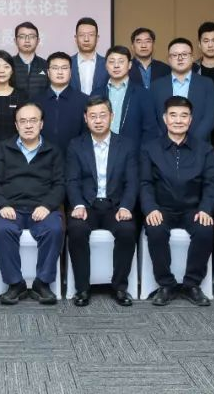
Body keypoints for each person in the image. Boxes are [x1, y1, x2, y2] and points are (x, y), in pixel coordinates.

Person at [140, 96, 214, 307]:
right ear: (165, 118)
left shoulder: (205, 149)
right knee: (155, 230)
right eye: (173, 115)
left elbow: (211, 183)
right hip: (162, 209)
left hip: (193, 209)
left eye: (184, 116)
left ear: (190, 120)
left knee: (205, 230)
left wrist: (205, 209)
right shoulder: (150, 148)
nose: (178, 120)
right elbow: (145, 183)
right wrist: (151, 208)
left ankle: (192, 284)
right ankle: (166, 284)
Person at [0, 102, 65, 305]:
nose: (28, 125)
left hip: (42, 209)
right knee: (1, 229)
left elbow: (60, 184)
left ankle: (42, 283)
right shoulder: (2, 149)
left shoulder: (53, 151)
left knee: (54, 229)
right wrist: (2, 205)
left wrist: (47, 206)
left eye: (33, 120)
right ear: (16, 125)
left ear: (41, 124)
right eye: (23, 121)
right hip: (9, 208)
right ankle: (15, 284)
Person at [65, 97, 138, 307]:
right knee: (76, 229)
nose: (98, 121)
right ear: (85, 119)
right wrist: (78, 205)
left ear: (111, 117)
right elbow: (72, 180)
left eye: (103, 115)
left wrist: (126, 206)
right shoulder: (76, 145)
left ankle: (119, 287)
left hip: (115, 206)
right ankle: (82, 288)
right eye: (93, 116)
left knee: (127, 230)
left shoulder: (126, 145)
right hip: (87, 205)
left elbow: (132, 181)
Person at [150, 38, 214, 143]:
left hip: (199, 145)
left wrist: (192, 142)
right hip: (164, 146)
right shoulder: (156, 86)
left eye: (184, 54)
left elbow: (210, 117)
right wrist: (166, 141)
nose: (180, 58)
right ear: (169, 59)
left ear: (192, 58)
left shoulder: (207, 84)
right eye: (175, 55)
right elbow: (152, 118)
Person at [91, 46, 157, 149]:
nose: (116, 66)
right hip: (101, 150)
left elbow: (150, 130)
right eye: (111, 62)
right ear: (106, 66)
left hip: (133, 152)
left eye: (121, 61)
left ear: (129, 65)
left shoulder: (142, 94)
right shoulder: (97, 93)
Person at [33, 51, 89, 151]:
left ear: (70, 72)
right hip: (42, 156)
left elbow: (87, 134)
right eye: (55, 68)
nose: (60, 72)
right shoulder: (36, 101)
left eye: (64, 68)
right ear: (48, 72)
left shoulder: (84, 100)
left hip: (74, 156)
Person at [70, 17, 107, 95]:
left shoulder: (107, 64)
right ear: (76, 38)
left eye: (91, 35)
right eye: (81, 35)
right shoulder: (68, 63)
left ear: (97, 38)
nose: (86, 39)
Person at [12, 21, 49, 97]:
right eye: (22, 36)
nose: (27, 40)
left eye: (32, 37)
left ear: (38, 41)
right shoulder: (8, 64)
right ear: (15, 41)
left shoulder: (46, 65)